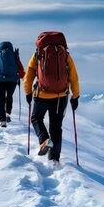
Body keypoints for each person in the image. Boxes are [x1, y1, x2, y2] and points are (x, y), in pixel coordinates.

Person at [24, 32, 80, 162]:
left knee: (36, 118)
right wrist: (75, 96)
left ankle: (44, 140)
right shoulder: (65, 54)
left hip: (42, 94)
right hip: (60, 96)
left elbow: (29, 74)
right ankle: (54, 159)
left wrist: (28, 92)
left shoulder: (38, 53)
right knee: (56, 127)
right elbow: (73, 76)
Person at [0, 41, 25, 127]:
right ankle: (8, 114)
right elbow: (20, 68)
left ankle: (2, 121)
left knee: (1, 100)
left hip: (0, 80)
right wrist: (21, 76)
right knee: (9, 96)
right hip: (12, 80)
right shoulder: (14, 55)